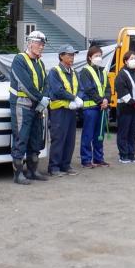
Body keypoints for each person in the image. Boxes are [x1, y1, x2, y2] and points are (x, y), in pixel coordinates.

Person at [9, 30, 50, 185]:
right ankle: (18, 174)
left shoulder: (40, 62)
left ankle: (33, 171)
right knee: (21, 138)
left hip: (37, 107)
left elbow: (45, 83)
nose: (41, 47)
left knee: (35, 139)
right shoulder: (19, 60)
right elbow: (25, 84)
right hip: (22, 105)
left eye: (43, 44)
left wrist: (43, 100)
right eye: (39, 44)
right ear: (30, 43)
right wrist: (42, 99)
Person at [46, 45, 83, 176]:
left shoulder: (74, 73)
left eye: (73, 55)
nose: (72, 57)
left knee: (70, 139)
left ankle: (66, 165)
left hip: (71, 111)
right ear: (61, 56)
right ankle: (54, 167)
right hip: (59, 110)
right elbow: (57, 90)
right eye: (69, 55)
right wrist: (74, 98)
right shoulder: (54, 71)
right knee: (58, 138)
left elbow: (81, 89)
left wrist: (78, 99)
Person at [79, 45, 111, 168]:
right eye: (96, 56)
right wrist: (100, 101)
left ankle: (98, 158)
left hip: (102, 108)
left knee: (99, 135)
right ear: (89, 58)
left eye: (100, 56)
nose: (99, 58)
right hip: (90, 108)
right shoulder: (85, 71)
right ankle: (86, 160)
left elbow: (107, 88)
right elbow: (88, 89)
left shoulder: (103, 71)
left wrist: (106, 100)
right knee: (88, 134)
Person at [115, 50, 135, 164]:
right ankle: (123, 155)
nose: (134, 60)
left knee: (133, 132)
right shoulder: (122, 74)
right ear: (125, 61)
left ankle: (131, 154)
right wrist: (133, 102)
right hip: (125, 108)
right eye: (131, 59)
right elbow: (122, 91)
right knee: (124, 132)